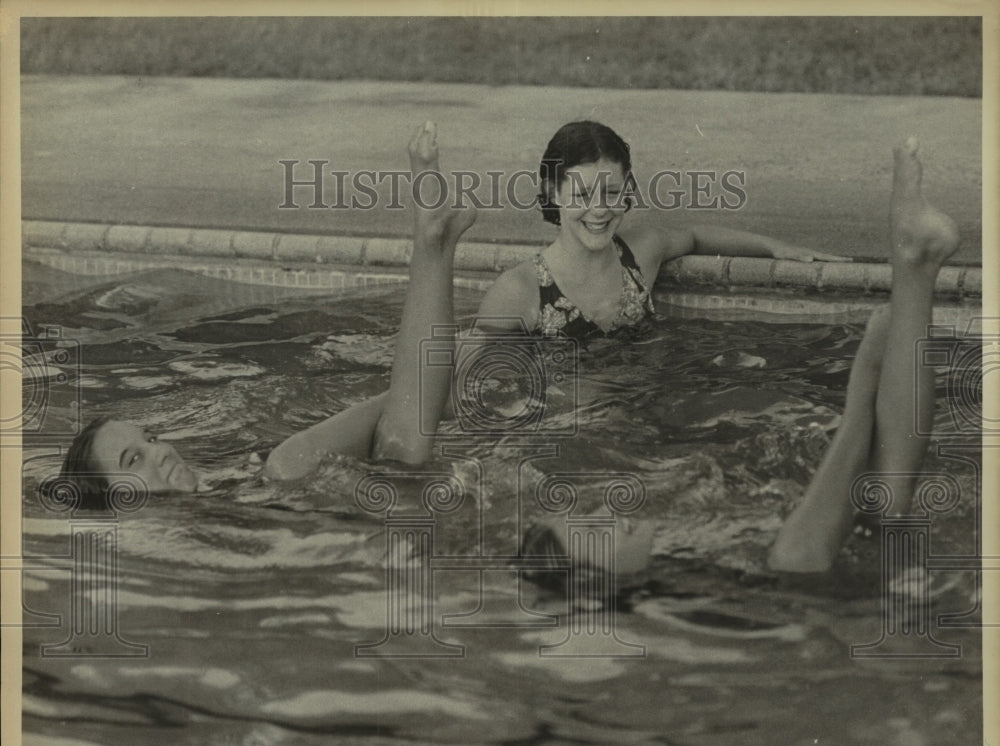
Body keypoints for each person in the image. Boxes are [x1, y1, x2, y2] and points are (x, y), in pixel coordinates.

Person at [523, 137, 960, 574]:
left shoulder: (674, 571)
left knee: (880, 509)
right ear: (601, 591)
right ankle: (870, 377)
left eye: (592, 514)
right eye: (598, 533)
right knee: (802, 556)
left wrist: (773, 247)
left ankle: (915, 266)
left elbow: (690, 236)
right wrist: (862, 383)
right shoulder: (681, 604)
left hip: (825, 570)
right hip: (810, 592)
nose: (609, 513)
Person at [56, 122, 477, 501]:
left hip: (281, 488)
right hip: (315, 512)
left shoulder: (230, 479)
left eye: (150, 438)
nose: (161, 451)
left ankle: (433, 251)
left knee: (390, 443)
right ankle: (433, 253)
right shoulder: (175, 538)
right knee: (388, 447)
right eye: (134, 461)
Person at [475, 120, 847, 338]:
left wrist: (775, 247)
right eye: (583, 194)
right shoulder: (519, 290)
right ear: (552, 193)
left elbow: (696, 237)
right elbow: (472, 385)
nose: (600, 209)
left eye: (612, 192)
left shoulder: (639, 255)